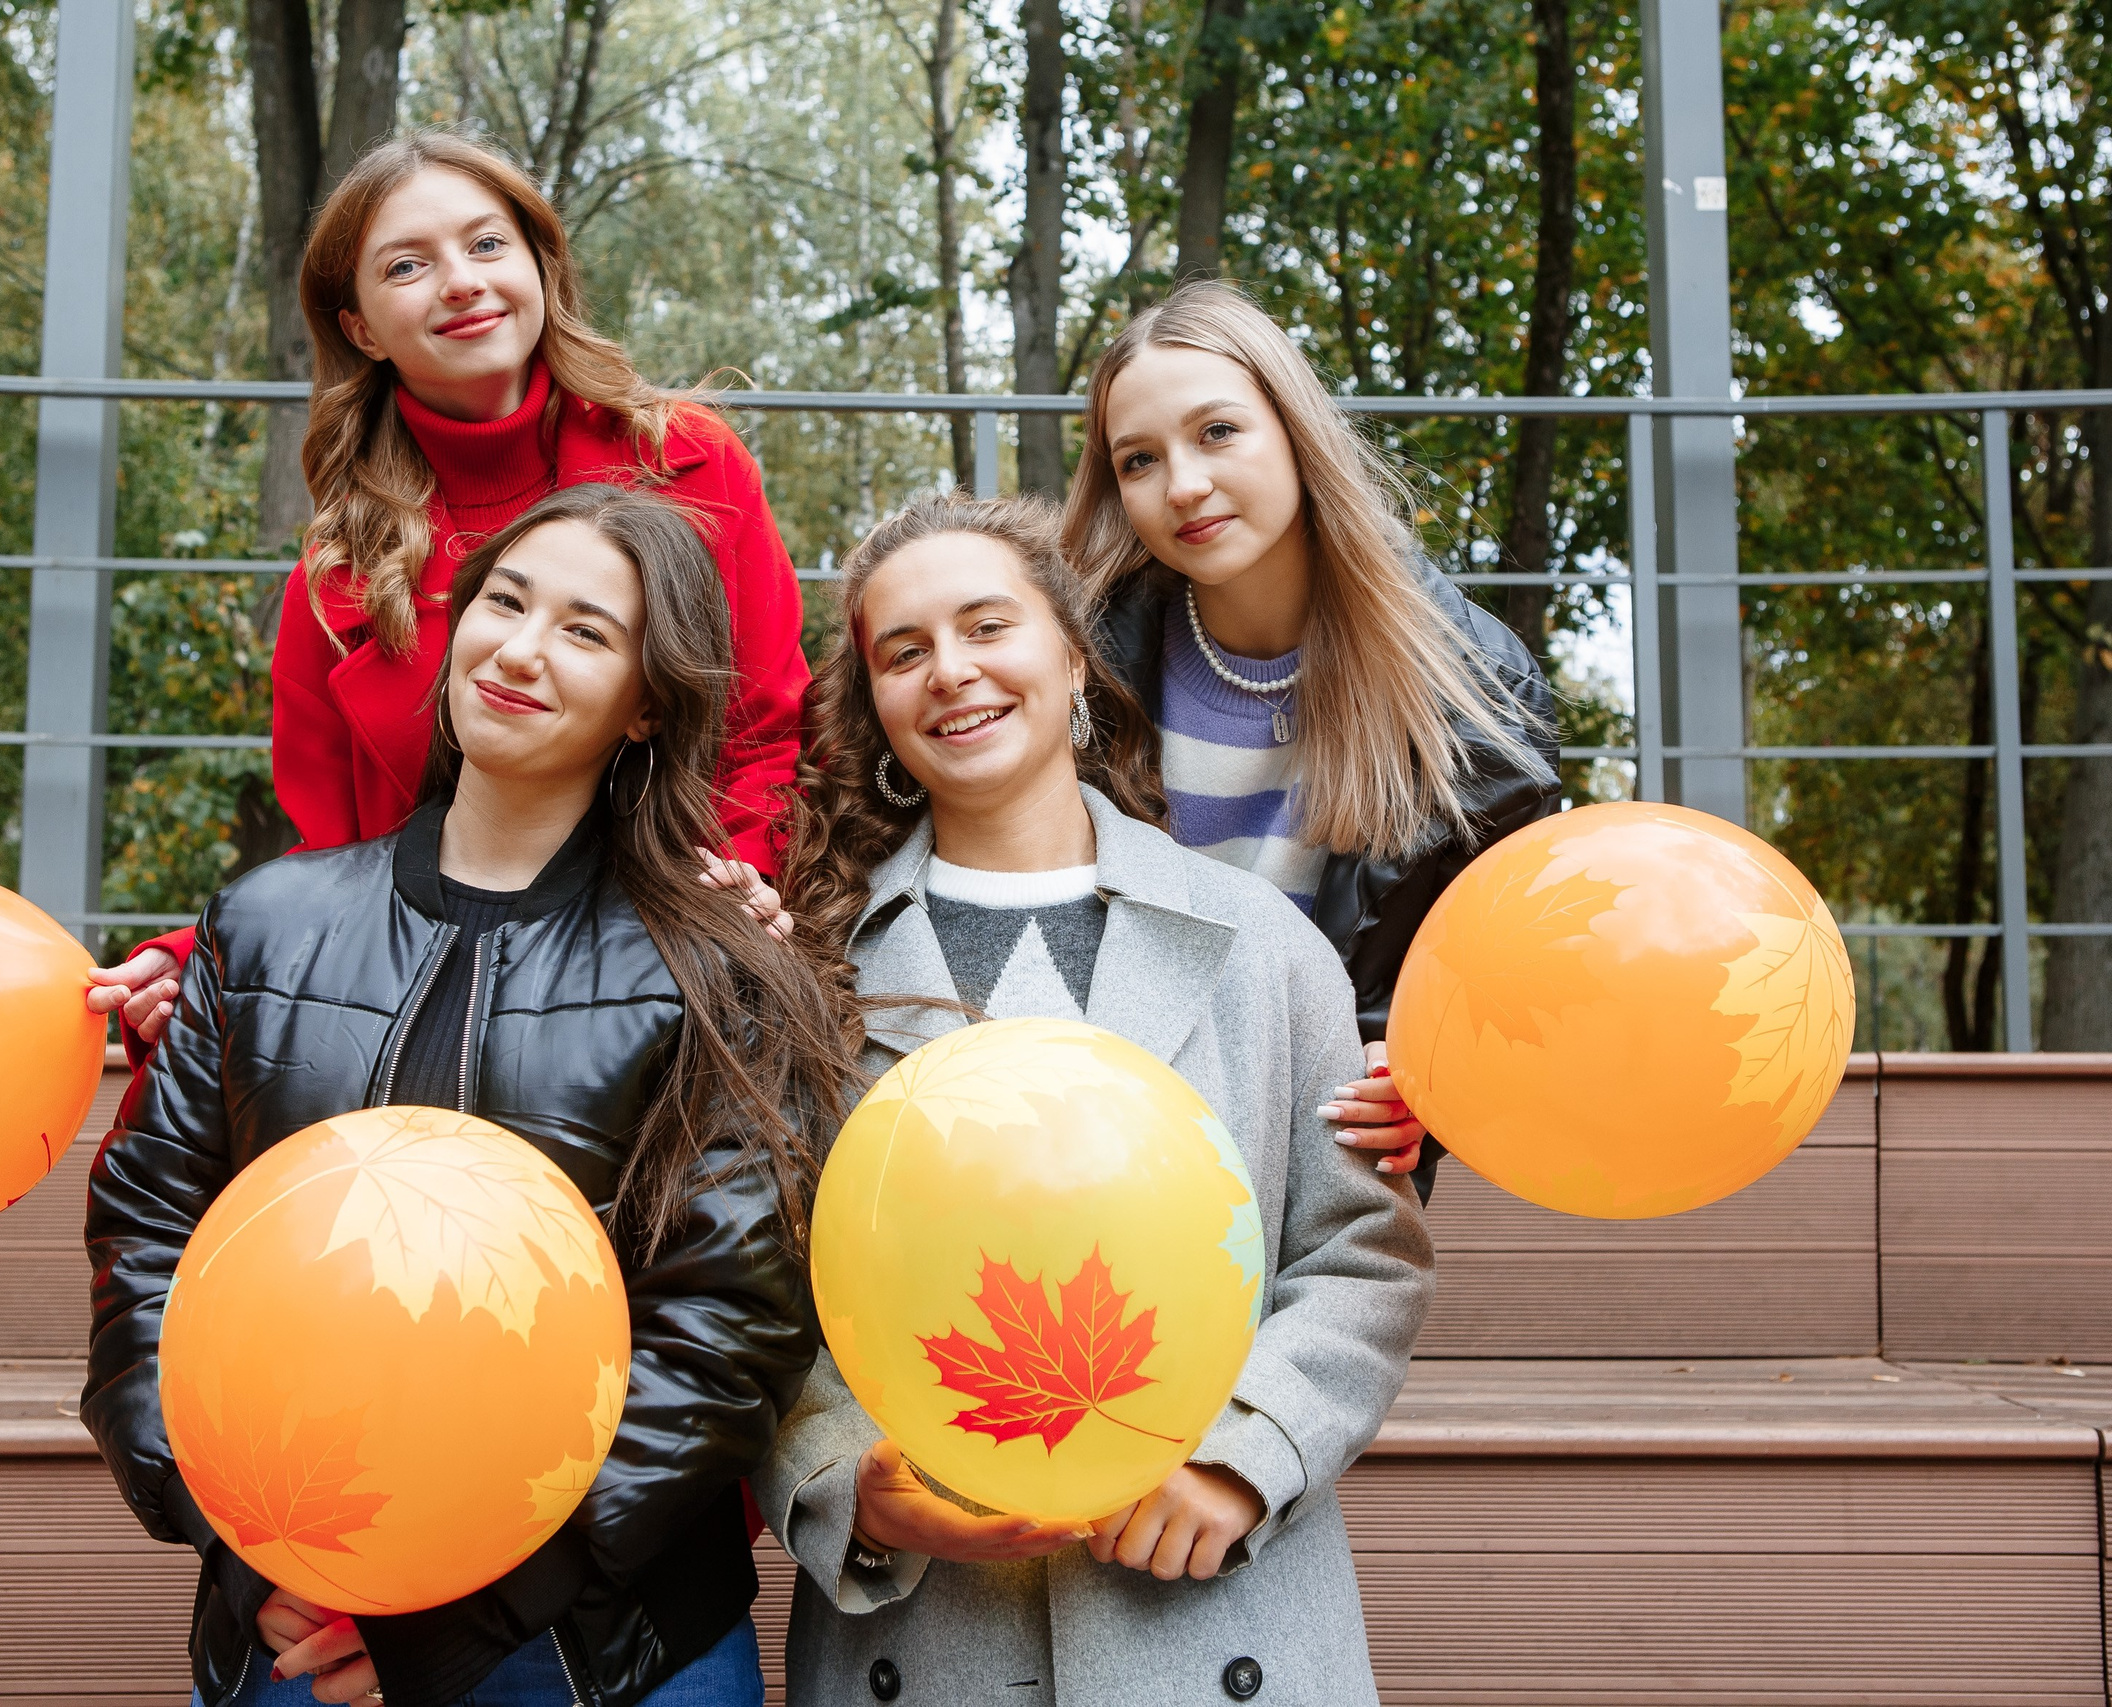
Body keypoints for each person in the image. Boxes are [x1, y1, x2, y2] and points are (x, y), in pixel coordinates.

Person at [82, 485, 852, 1707]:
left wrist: (473, 1612)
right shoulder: (265, 923)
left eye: (586, 631)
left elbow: (726, 1330)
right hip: (295, 1625)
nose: (521, 648)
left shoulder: (714, 971)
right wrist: (233, 1537)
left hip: (597, 1648)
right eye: (505, 601)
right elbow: (149, 1241)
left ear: (649, 703)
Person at [765, 493, 1434, 1704]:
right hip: (927, 1637)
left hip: (1213, 1611)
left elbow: (1359, 1254)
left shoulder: (1261, 946)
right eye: (902, 652)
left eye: (987, 627)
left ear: (1072, 654)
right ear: (872, 709)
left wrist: (1243, 1459)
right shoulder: (808, 975)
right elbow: (754, 1290)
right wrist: (843, 1480)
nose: (951, 672)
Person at [87, 130, 805, 1054]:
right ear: (359, 327)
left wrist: (728, 895)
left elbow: (765, 743)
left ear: (539, 264)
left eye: (487, 244)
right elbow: (335, 861)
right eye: (407, 266)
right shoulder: (339, 573)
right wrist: (210, 955)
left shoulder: (690, 465)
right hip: (430, 987)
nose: (461, 281)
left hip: (660, 969)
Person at [1067, 281, 1561, 1198]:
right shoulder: (1080, 672)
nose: (1183, 485)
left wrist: (1431, 1090)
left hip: (1316, 1142)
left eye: (1218, 432)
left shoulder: (1474, 695)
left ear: (1296, 430)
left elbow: (1496, 979)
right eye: (1138, 460)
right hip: (1101, 1136)